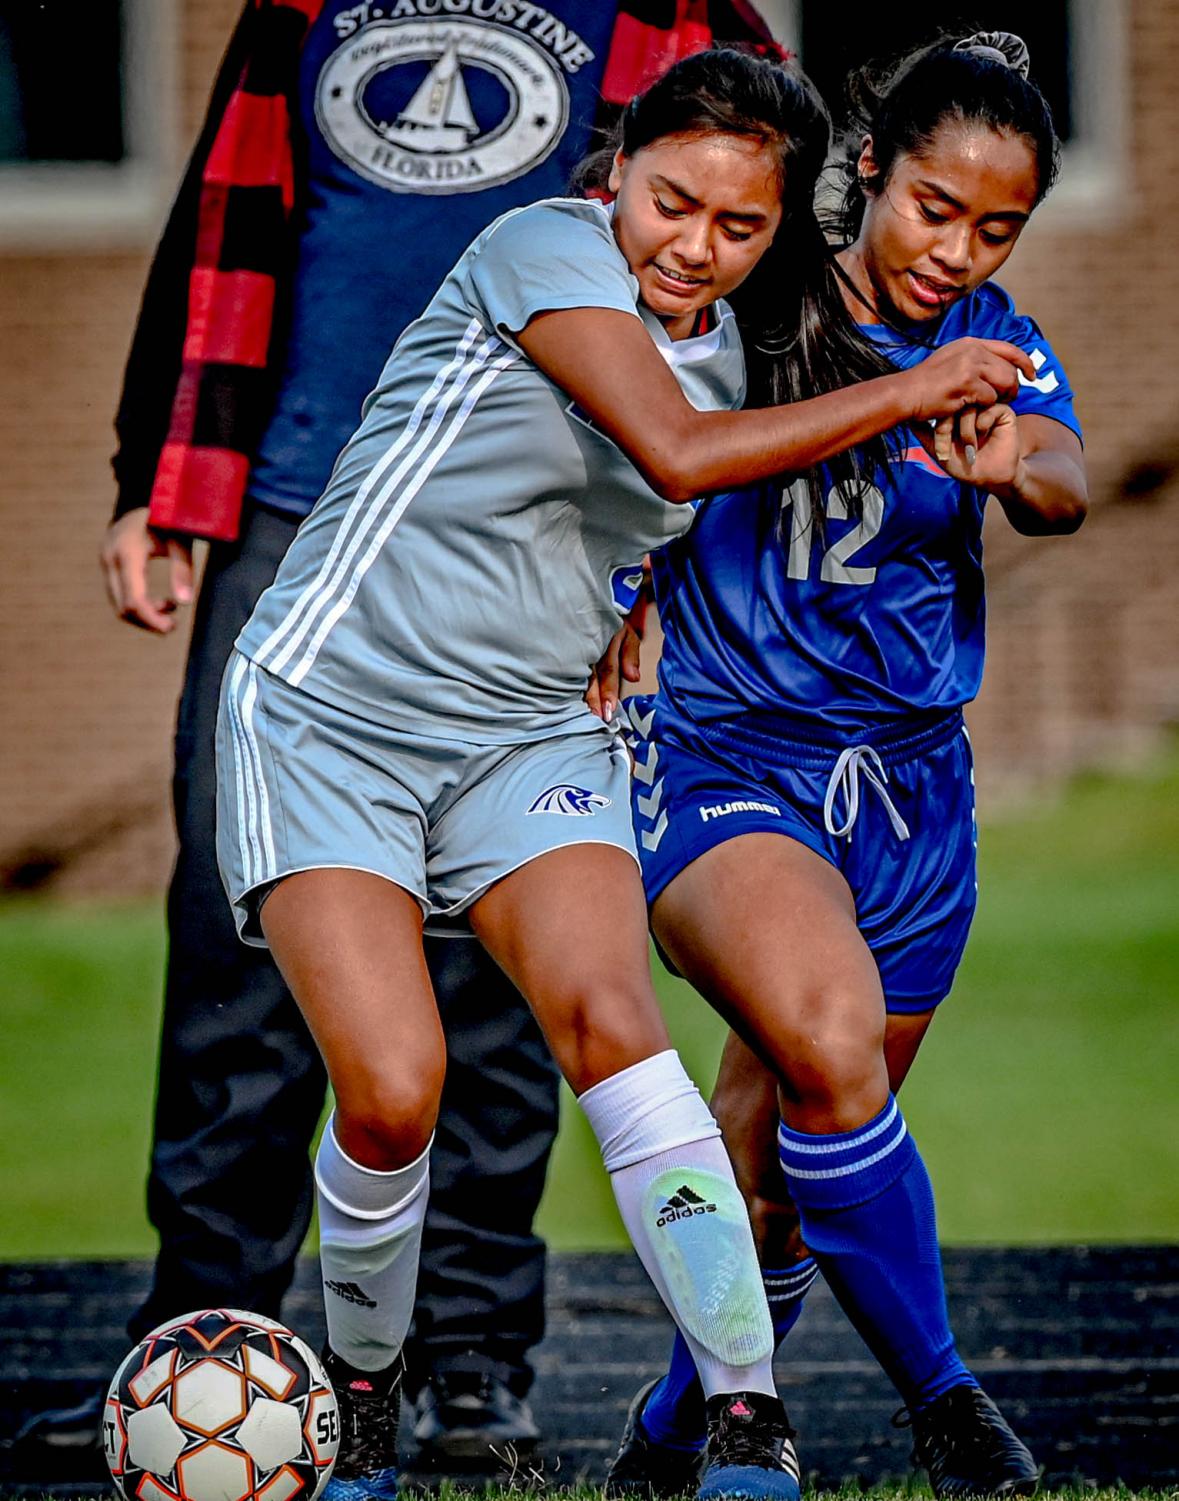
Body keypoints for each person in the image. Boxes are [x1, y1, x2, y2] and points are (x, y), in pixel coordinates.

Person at [213, 38, 1037, 1500]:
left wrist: (632, 595)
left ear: (780, 232)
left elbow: (638, 503)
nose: (695, 247)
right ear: (620, 175)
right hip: (335, 716)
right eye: (674, 204)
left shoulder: (734, 336)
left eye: (740, 227)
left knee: (620, 1031)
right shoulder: (542, 247)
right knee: (398, 1085)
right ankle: (361, 1393)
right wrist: (911, 395)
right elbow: (668, 452)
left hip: (526, 727)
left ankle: (738, 1414)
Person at [4, 0, 786, 1477]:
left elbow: (751, 264)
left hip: (530, 548)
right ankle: (207, 1339)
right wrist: (156, 476)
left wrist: (648, 570)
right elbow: (222, 222)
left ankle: (474, 1362)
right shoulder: (309, 2)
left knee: (513, 987)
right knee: (244, 951)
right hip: (306, 497)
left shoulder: (672, 13)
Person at [601, 30, 1088, 1499]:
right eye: (938, 208)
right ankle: (950, 1407)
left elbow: (1064, 469)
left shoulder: (997, 334)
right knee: (828, 1041)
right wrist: (615, 599)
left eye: (996, 228)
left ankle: (689, 1417)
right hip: (733, 756)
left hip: (916, 799)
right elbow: (647, 442)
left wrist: (1017, 465)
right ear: (871, 167)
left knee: (790, 1149)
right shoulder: (763, 299)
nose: (959, 251)